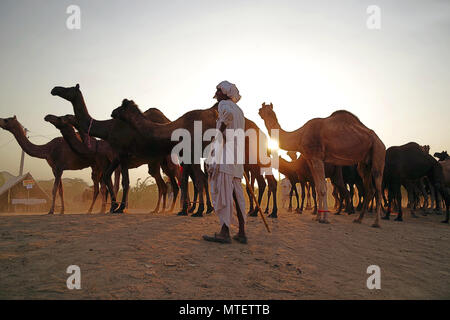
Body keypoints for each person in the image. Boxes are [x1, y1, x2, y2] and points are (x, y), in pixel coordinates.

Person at [203, 81, 247, 244]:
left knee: (223, 190)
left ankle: (225, 231)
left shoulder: (223, 105)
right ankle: (242, 231)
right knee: (235, 192)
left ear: (225, 93)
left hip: (226, 152)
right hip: (237, 154)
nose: (216, 93)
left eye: (218, 90)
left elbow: (226, 117)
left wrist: (217, 137)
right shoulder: (240, 110)